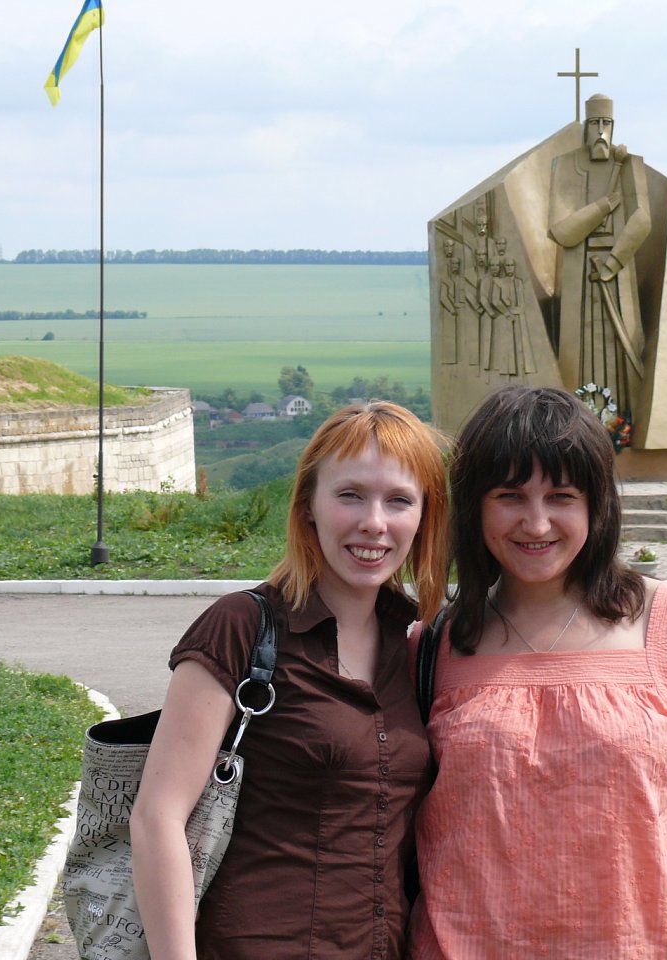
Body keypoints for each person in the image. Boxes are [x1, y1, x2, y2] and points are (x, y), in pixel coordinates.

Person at [409, 384, 667, 959]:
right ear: (474, 505)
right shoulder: (434, 643)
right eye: (510, 496)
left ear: (596, 504)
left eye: (561, 496)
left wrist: (632, 883)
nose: (536, 523)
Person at [132, 401, 449, 960]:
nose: (374, 522)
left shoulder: (415, 645)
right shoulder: (242, 626)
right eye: (350, 495)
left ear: (424, 516)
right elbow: (158, 817)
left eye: (399, 500)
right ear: (308, 506)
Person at [549, 93, 651, 414]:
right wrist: (602, 207)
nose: (601, 131)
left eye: (606, 123)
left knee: (621, 348)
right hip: (579, 274)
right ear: (585, 127)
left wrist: (613, 262)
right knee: (579, 352)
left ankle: (622, 419)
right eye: (595, 123)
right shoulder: (566, 165)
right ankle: (575, 418)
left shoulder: (629, 165)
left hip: (616, 273)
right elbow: (562, 231)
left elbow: (642, 219)